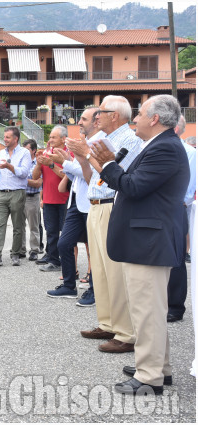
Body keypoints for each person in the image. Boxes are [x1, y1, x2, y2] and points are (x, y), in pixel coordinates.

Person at [90, 94, 189, 395]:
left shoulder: (166, 149)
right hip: (147, 239)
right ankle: (159, 367)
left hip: (150, 241)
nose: (135, 118)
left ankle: (149, 377)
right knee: (149, 310)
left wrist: (108, 165)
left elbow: (133, 186)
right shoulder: (159, 146)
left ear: (155, 119)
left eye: (141, 113)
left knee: (147, 310)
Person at [66, 95, 142, 354]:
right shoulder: (103, 140)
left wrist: (86, 152)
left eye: (101, 112)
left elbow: (117, 175)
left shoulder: (130, 140)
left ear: (116, 115)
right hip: (96, 205)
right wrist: (84, 158)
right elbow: (92, 177)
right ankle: (108, 322)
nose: (96, 116)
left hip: (112, 205)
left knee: (114, 270)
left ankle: (125, 332)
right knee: (99, 269)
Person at [46, 108, 102, 304]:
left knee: (94, 249)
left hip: (92, 201)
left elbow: (94, 172)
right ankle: (69, 286)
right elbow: (77, 171)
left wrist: (64, 163)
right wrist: (66, 161)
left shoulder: (100, 142)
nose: (79, 122)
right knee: (64, 243)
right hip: (76, 202)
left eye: (83, 119)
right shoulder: (84, 143)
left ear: (96, 121)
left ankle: (95, 291)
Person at [0, 127, 32, 267]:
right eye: (4, 137)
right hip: (0, 193)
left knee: (18, 225)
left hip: (17, 193)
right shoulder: (0, 152)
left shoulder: (25, 153)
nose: (4, 139)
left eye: (7, 137)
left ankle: (15, 254)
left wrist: (9, 166)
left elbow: (24, 173)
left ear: (15, 139)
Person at [166, 115, 196, 322]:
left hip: (176, 209)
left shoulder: (190, 152)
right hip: (162, 209)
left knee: (176, 258)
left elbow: (189, 185)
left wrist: (177, 204)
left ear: (175, 128)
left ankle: (175, 307)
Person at [33, 126, 71, 271]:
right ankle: (53, 258)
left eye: (53, 137)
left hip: (64, 199)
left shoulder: (68, 155)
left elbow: (67, 176)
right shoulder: (47, 154)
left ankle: (65, 260)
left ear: (63, 139)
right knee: (51, 231)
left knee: (65, 232)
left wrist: (51, 164)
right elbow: (36, 177)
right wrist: (38, 163)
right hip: (49, 199)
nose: (50, 140)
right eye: (50, 137)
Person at [21, 139, 42, 261]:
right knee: (19, 225)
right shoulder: (21, 162)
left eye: (27, 149)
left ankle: (34, 250)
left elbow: (38, 183)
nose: (24, 152)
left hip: (32, 197)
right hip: (20, 196)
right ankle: (21, 249)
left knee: (33, 226)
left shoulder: (38, 164)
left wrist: (22, 179)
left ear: (34, 150)